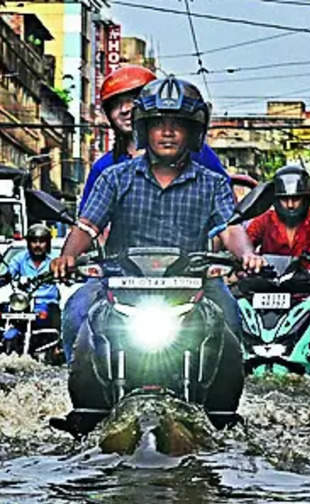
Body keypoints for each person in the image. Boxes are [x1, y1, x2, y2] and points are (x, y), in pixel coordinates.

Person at [51, 75, 264, 424]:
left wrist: (246, 255)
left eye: (177, 125)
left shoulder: (212, 183)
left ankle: (223, 414)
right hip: (121, 285)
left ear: (193, 133)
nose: (167, 133)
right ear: (143, 130)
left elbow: (230, 228)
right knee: (77, 311)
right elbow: (87, 225)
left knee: (231, 318)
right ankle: (85, 409)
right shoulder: (114, 177)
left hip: (193, 285)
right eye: (158, 125)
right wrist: (68, 255)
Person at [76, 65, 230, 217]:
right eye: (116, 105)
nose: (124, 109)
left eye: (133, 100)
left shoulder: (195, 152)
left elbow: (225, 207)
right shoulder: (105, 168)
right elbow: (88, 223)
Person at [245, 164, 310, 292]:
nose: (290, 205)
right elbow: (244, 247)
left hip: (307, 291)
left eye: (296, 198)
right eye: (284, 199)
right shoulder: (264, 220)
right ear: (276, 199)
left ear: (306, 198)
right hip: (268, 288)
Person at [6, 223, 61, 328]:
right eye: (34, 241)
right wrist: (0, 277)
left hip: (47, 302)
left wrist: (63, 276)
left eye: (42, 241)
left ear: (48, 243)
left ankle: (56, 343)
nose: (37, 245)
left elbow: (66, 271)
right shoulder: (20, 258)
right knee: (4, 310)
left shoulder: (56, 259)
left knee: (55, 318)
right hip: (23, 302)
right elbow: (9, 271)